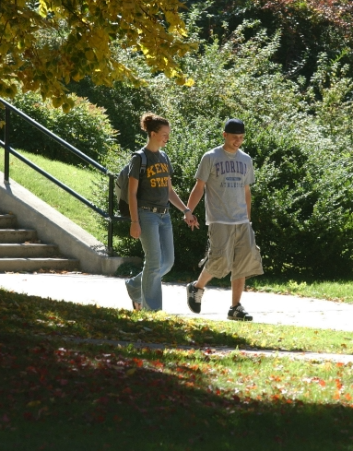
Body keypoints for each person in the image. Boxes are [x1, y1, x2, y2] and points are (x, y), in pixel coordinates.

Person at [186, 118, 263, 321]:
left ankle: (235, 307)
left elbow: (247, 191)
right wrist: (188, 211)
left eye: (241, 138)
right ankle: (197, 287)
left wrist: (248, 219)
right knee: (220, 260)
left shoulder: (246, 160)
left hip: (241, 220)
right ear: (225, 135)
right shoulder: (211, 157)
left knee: (242, 262)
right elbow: (199, 187)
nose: (238, 141)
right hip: (219, 218)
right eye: (234, 137)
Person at [125, 112, 198, 311]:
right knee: (155, 261)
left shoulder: (164, 157)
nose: (168, 137)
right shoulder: (139, 158)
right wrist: (134, 221)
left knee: (167, 262)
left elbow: (168, 190)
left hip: (164, 215)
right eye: (164, 134)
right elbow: (131, 193)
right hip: (146, 214)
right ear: (153, 133)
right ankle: (152, 310)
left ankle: (134, 286)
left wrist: (186, 210)